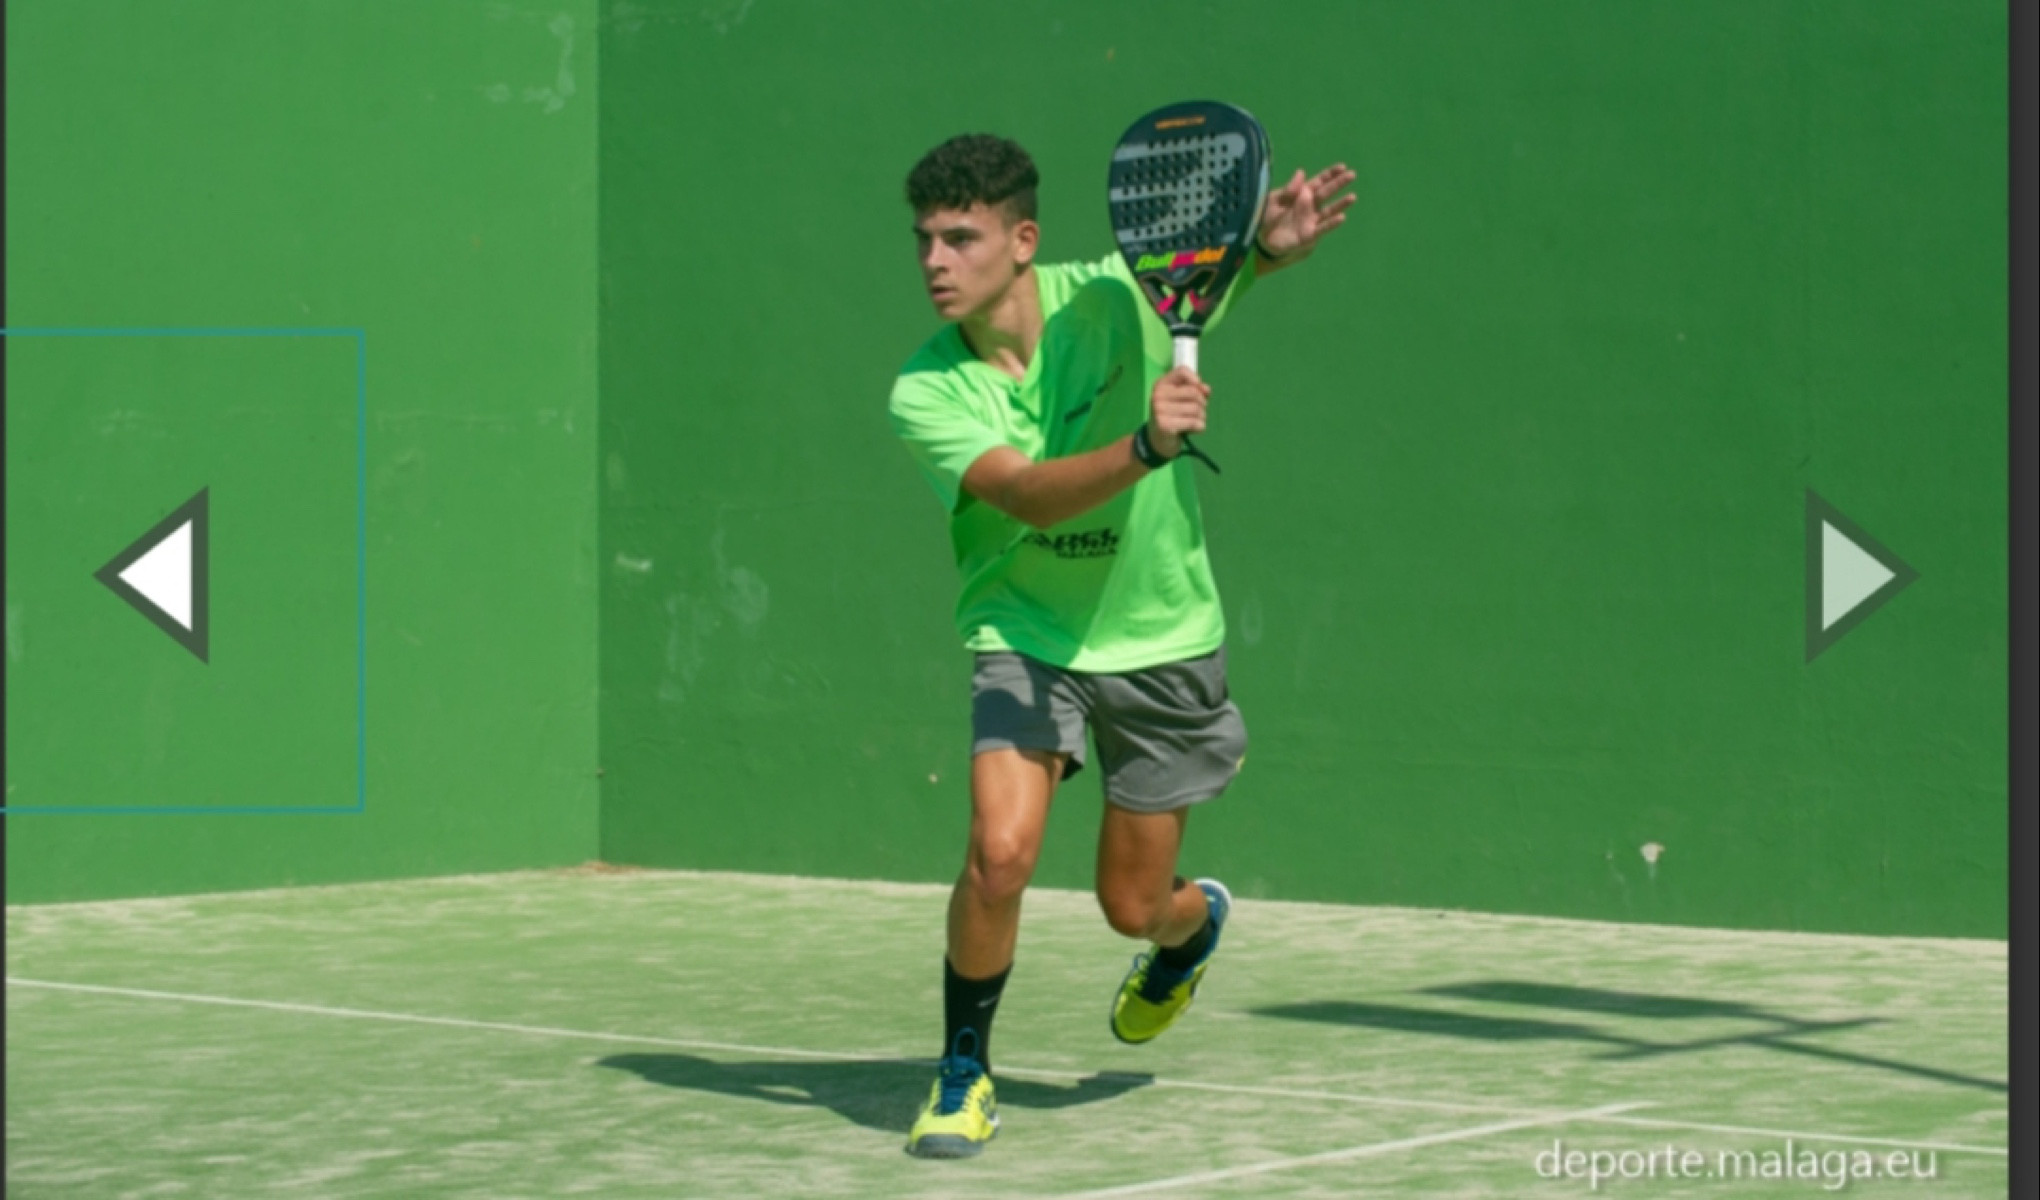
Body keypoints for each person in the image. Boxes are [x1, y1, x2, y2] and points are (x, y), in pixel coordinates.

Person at [888, 132, 1354, 1159]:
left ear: (1023, 240)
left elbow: (1216, 279)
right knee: (999, 855)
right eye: (923, 239)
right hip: (1028, 632)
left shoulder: (1119, 294)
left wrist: (1268, 248)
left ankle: (1191, 931)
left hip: (1161, 634)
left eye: (960, 239)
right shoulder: (926, 389)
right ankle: (963, 1070)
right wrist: (1145, 445)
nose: (934, 261)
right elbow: (1024, 495)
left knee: (1133, 905)